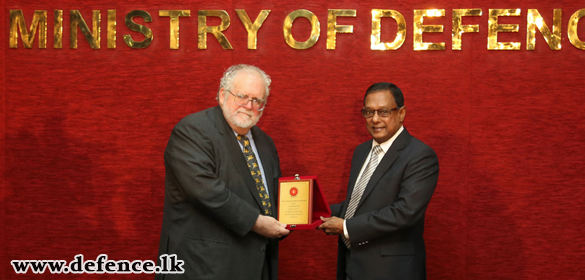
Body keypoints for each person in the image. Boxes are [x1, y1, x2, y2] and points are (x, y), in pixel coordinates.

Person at [156, 64, 289, 280]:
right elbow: (206, 192)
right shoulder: (193, 130)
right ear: (222, 95)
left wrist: (295, 217)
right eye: (242, 96)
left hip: (257, 265)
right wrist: (257, 222)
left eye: (257, 100)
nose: (248, 105)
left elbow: (272, 196)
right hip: (204, 266)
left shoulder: (265, 142)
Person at [318, 82, 439, 280]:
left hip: (392, 271)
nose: (375, 119)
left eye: (383, 112)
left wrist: (346, 228)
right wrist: (314, 211)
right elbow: (357, 206)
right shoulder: (361, 152)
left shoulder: (419, 155)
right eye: (368, 112)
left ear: (401, 113)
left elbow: (405, 213)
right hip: (353, 265)